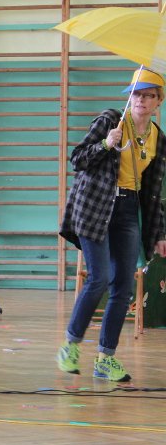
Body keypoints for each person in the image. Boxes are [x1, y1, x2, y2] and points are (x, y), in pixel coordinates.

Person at [58, 67, 166, 382]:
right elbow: (77, 159)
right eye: (136, 94)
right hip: (95, 206)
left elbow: (154, 191)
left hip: (128, 209)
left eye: (148, 95)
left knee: (123, 286)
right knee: (100, 277)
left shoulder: (158, 138)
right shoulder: (110, 121)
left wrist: (159, 233)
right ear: (129, 96)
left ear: (158, 101)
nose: (141, 100)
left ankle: (105, 358)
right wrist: (106, 144)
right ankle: (70, 346)